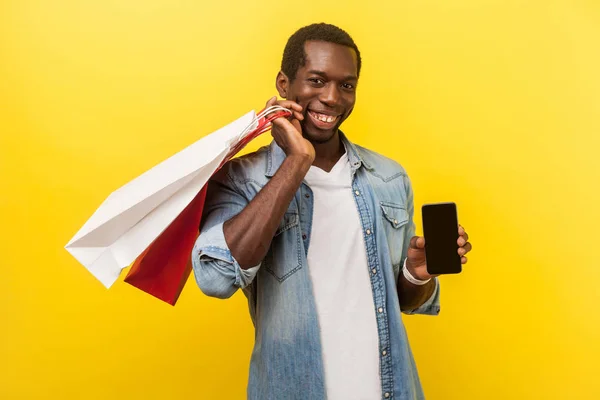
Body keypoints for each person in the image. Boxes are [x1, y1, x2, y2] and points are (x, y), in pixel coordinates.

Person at [191, 23, 473, 400]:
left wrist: (416, 275)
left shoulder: (388, 177)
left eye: (346, 85)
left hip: (390, 389)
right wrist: (297, 161)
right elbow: (216, 279)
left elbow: (403, 300)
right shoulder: (242, 178)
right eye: (317, 80)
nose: (332, 98)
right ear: (284, 84)